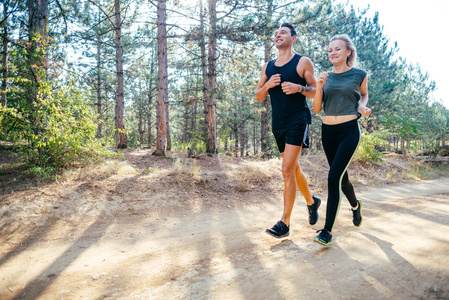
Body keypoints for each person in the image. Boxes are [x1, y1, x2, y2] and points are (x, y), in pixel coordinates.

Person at [255, 23, 321, 238]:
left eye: (283, 32)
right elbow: (258, 95)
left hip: (297, 120)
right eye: (276, 33)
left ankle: (285, 222)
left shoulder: (302, 62)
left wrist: (299, 88)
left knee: (286, 170)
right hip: (278, 124)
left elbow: (316, 91)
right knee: (293, 169)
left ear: (293, 38)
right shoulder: (268, 67)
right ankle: (312, 202)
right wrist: (267, 86)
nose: (278, 35)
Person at [312, 34, 371, 246]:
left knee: (332, 178)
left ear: (348, 52)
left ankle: (326, 231)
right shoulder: (325, 77)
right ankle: (356, 206)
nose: (333, 53)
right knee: (341, 178)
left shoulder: (359, 74)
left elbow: (363, 94)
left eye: (337, 49)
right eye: (330, 50)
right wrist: (319, 87)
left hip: (349, 131)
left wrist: (361, 106)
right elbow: (317, 109)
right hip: (328, 131)